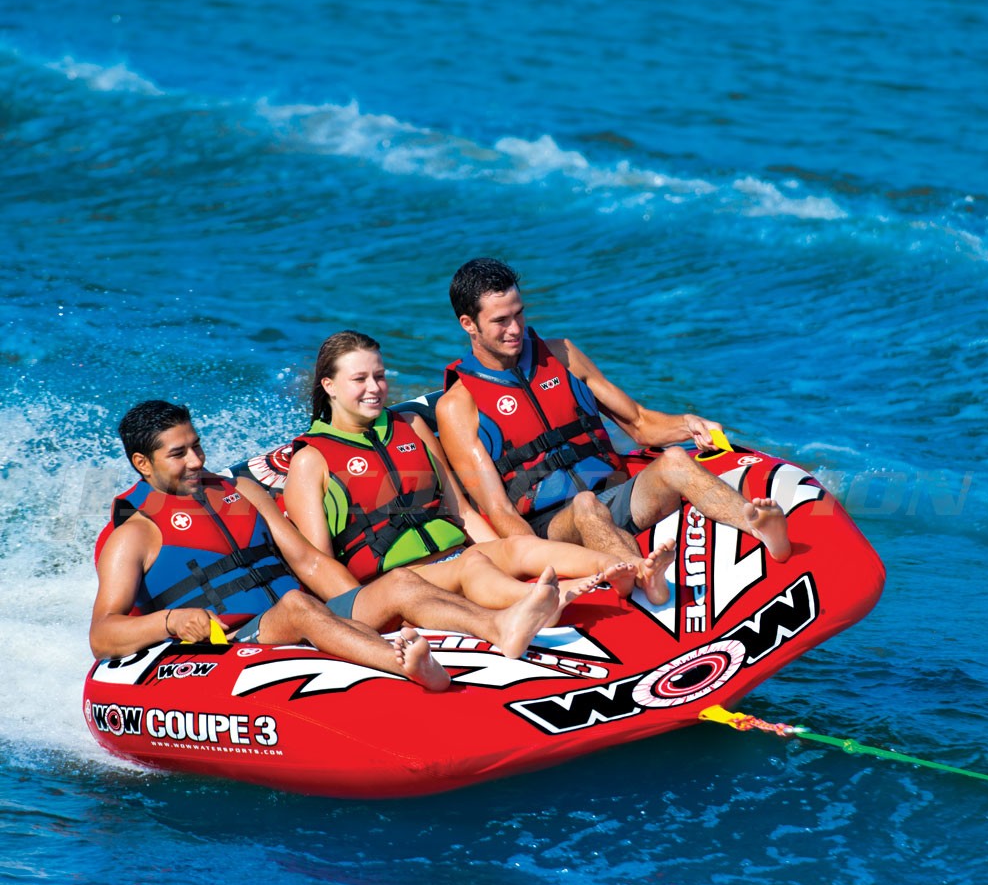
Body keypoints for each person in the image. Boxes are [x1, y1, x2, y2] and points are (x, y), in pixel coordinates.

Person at [90, 402, 578, 691]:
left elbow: (307, 561)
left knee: (399, 582)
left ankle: (498, 625)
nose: (197, 460)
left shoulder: (239, 491)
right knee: (297, 605)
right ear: (143, 463)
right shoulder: (134, 536)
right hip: (234, 645)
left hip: (305, 616)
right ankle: (404, 665)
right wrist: (170, 622)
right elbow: (103, 633)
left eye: (197, 445)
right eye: (179, 454)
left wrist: (361, 607)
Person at [435, 258, 791, 603]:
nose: (515, 329)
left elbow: (639, 423)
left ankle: (757, 524)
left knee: (674, 461)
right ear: (469, 324)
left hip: (614, 495)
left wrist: (689, 424)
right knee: (586, 506)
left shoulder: (561, 354)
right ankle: (643, 575)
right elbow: (500, 511)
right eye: (500, 321)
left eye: (519, 313)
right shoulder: (458, 406)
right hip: (554, 528)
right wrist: (543, 572)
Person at [282, 331, 639, 617]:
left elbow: (462, 511)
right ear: (329, 386)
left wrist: (503, 554)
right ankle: (540, 599)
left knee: (517, 546)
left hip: (456, 557)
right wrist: (365, 610)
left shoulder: (412, 426)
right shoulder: (311, 460)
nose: (374, 388)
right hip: (402, 582)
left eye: (379, 376)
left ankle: (623, 567)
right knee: (472, 566)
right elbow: (319, 564)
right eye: (359, 379)